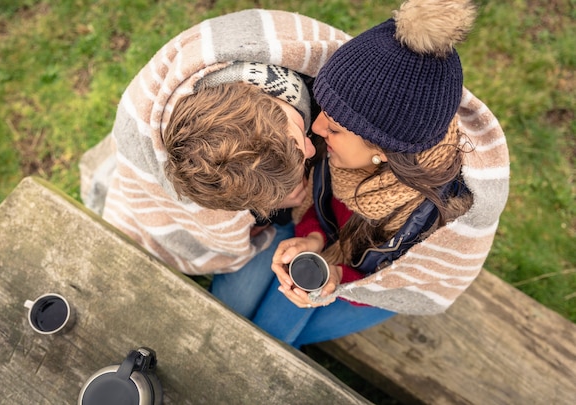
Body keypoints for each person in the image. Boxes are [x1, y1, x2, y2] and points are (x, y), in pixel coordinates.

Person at [221, 0, 510, 348]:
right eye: (324, 109)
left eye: (336, 128)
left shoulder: (435, 214)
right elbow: (320, 204)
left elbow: (400, 280)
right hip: (323, 254)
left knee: (269, 336)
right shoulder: (342, 153)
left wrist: (341, 278)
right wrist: (312, 238)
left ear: (384, 151)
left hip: (371, 285)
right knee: (232, 307)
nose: (316, 126)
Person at [79, 10, 350, 284]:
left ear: (265, 95)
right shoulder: (147, 116)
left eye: (297, 136)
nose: (312, 147)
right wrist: (272, 200)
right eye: (302, 141)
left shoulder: (299, 60)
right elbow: (172, 196)